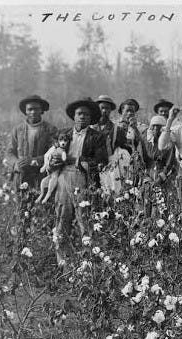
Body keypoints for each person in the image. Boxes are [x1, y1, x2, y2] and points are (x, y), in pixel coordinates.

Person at [51, 97, 108, 267]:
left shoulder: (97, 137)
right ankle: (63, 262)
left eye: (86, 115)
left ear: (91, 119)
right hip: (62, 177)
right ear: (74, 117)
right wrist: (53, 162)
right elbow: (53, 154)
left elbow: (100, 161)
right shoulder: (64, 134)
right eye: (79, 114)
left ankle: (88, 262)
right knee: (62, 216)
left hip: (83, 178)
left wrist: (73, 160)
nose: (82, 117)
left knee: (85, 218)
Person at [6, 95, 58, 189]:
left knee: (39, 201)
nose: (33, 112)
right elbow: (10, 151)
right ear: (25, 111)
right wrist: (15, 163)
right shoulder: (18, 129)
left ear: (41, 110)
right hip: (21, 174)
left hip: (41, 174)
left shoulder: (50, 129)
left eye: (36, 109)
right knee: (21, 201)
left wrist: (35, 160)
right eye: (30, 109)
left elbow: (54, 152)